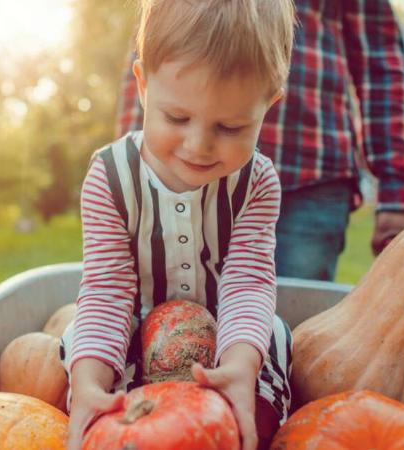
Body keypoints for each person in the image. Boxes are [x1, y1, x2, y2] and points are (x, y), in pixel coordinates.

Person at [61, 1, 295, 449]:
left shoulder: (257, 182)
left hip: (225, 336)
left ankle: (246, 421)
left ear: (270, 105)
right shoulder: (109, 177)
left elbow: (247, 282)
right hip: (134, 330)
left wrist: (240, 364)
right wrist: (89, 380)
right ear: (144, 85)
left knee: (275, 336)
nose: (199, 145)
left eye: (230, 126)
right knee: (79, 341)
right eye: (177, 118)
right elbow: (107, 289)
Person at [117, 0, 404, 281]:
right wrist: (131, 165)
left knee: (293, 319)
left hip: (310, 175)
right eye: (176, 117)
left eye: (231, 126)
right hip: (181, 179)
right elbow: (152, 47)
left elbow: (379, 61)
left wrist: (396, 189)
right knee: (171, 307)